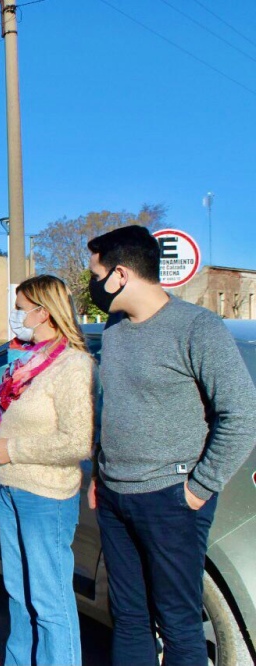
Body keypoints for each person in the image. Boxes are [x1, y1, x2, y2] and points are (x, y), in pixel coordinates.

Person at [86, 225, 256, 665]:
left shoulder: (198, 327)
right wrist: (99, 469)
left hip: (170, 500)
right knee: (127, 616)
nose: (93, 285)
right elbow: (113, 406)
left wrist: (199, 487)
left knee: (178, 623)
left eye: (95, 272)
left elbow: (241, 415)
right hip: (114, 495)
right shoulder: (115, 327)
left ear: (120, 275)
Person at [0, 275, 95, 666]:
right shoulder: (26, 362)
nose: (16, 314)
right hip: (10, 488)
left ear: (43, 311)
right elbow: (21, 421)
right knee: (18, 592)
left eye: (21, 306)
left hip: (46, 497)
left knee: (49, 601)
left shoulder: (72, 365)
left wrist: (13, 449)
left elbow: (77, 442)